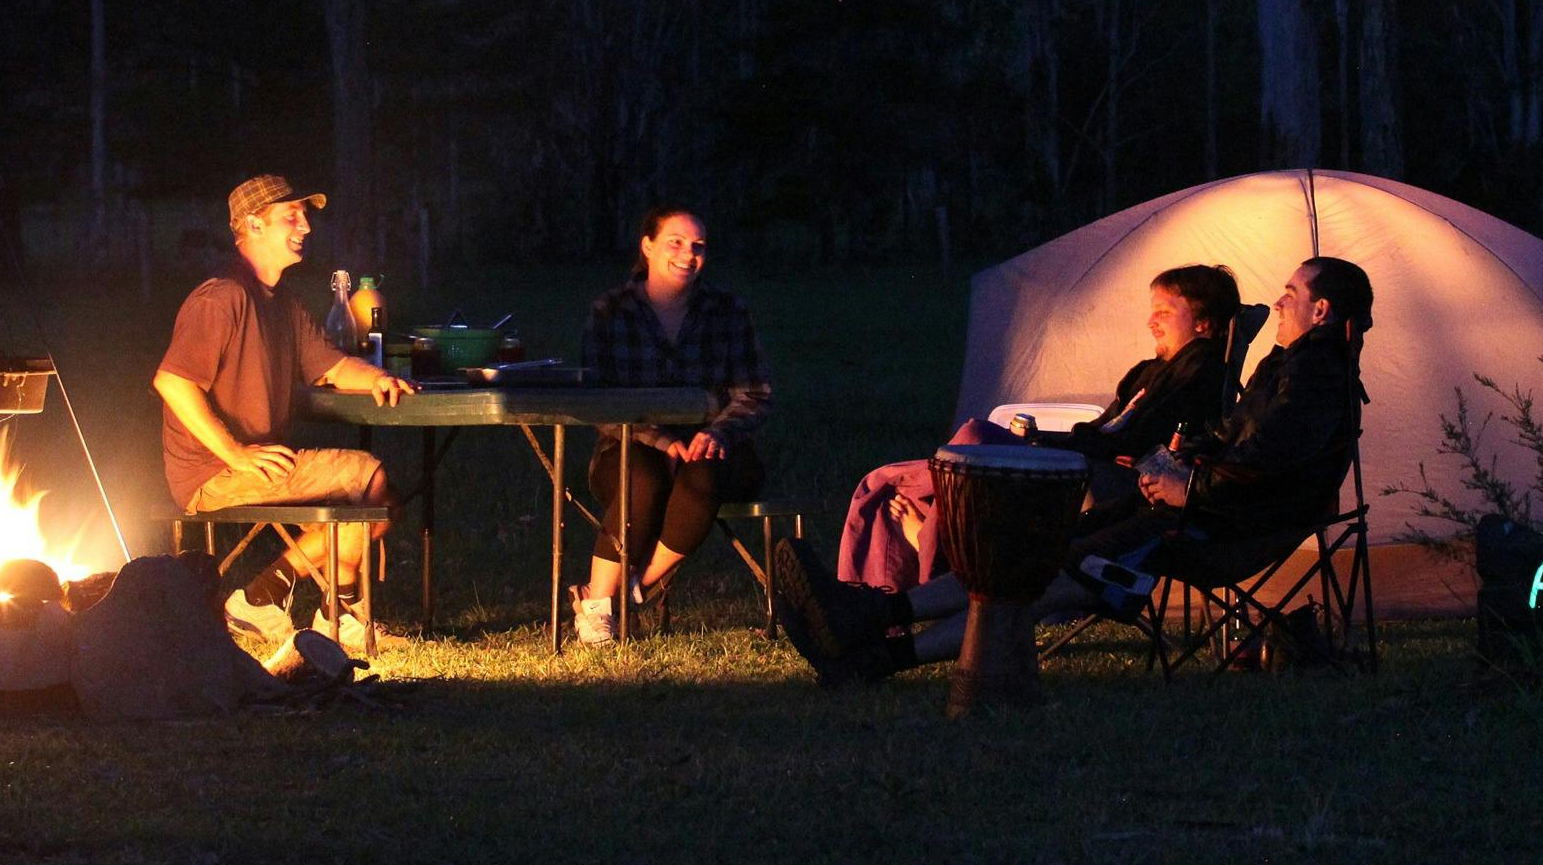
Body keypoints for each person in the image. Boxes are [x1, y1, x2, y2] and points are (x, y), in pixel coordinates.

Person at [774, 256, 1371, 683]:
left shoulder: (1314, 377)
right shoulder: (1290, 368)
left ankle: (875, 640)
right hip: (1192, 512)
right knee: (1039, 558)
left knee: (1048, 568)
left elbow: (1265, 466)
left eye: (1291, 293)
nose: (1280, 302)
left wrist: (1187, 484)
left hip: (1214, 527)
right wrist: (1179, 462)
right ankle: (873, 626)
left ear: (1320, 309)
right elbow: (1232, 440)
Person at [834, 264, 1240, 592]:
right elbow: (1104, 428)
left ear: (1203, 323)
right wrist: (1045, 439)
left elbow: (1134, 441)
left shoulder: (1199, 372)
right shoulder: (1150, 372)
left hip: (1101, 479)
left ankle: (937, 554)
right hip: (1078, 461)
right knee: (897, 486)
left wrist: (1051, 444)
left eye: (1164, 312)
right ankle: (906, 572)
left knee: (967, 443)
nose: (1151, 321)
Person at [152, 173, 416, 662]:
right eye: (291, 217)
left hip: (255, 461)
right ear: (253, 225)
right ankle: (335, 613)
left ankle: (267, 596)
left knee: (382, 502)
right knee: (369, 476)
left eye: (305, 216)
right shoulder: (222, 297)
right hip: (212, 473)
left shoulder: (282, 302)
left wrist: (378, 378)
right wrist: (235, 452)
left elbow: (332, 366)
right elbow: (172, 381)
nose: (306, 227)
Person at [571, 204, 774, 645]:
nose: (688, 254)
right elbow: (597, 399)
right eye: (675, 243)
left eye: (697, 246)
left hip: (715, 445)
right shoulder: (611, 311)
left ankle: (630, 592)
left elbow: (755, 392)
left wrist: (717, 432)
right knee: (640, 481)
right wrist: (659, 439)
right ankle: (597, 608)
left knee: (702, 476)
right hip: (631, 441)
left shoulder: (726, 310)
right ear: (647, 247)